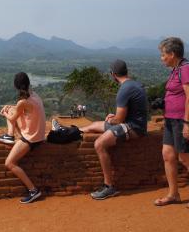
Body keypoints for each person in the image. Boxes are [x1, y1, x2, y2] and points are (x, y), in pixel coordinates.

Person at [79, 59, 148, 200]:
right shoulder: (134, 83)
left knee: (99, 144)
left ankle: (109, 186)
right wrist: (114, 117)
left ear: (113, 74)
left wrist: (112, 119)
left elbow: (119, 120)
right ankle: (73, 131)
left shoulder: (124, 89)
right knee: (93, 126)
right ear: (126, 71)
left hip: (134, 128)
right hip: (132, 123)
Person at [0, 72, 46, 204]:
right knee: (12, 110)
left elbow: (12, 118)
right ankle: (9, 136)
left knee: (9, 163)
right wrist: (11, 107)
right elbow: (23, 108)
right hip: (39, 134)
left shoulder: (23, 101)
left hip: (31, 138)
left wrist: (5, 113)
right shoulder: (34, 95)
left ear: (16, 86)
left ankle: (33, 190)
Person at [153, 37, 189, 207]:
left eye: (163, 54)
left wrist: (187, 123)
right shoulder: (176, 69)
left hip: (181, 121)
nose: (162, 58)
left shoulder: (185, 68)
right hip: (170, 120)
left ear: (172, 54)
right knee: (168, 156)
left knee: (185, 158)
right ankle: (173, 194)